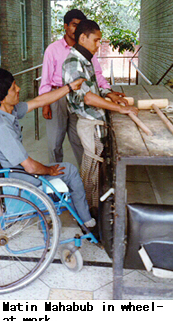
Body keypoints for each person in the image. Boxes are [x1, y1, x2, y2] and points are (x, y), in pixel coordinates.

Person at [0, 67, 96, 228]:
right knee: (69, 170)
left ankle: (80, 212)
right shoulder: (1, 129)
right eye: (13, 88)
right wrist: (50, 171)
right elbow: (31, 167)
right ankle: (87, 222)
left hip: (11, 170)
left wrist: (69, 87)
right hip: (19, 177)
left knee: (60, 169)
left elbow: (39, 101)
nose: (18, 89)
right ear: (2, 97)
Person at [62, 20, 138, 210]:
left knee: (97, 174)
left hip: (96, 123)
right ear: (82, 37)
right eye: (96, 41)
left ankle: (95, 213)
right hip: (89, 124)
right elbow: (88, 98)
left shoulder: (85, 61)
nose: (98, 46)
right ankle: (88, 216)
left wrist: (109, 94)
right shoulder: (73, 62)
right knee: (90, 175)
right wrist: (121, 109)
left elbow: (92, 91)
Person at [39, 9, 126, 166]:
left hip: (78, 99)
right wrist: (46, 103)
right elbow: (46, 78)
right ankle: (55, 176)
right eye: (73, 25)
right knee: (55, 142)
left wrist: (108, 91)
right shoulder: (54, 49)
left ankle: (86, 171)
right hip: (58, 96)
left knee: (78, 139)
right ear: (65, 26)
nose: (76, 29)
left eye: (80, 26)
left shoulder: (88, 52)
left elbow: (96, 75)